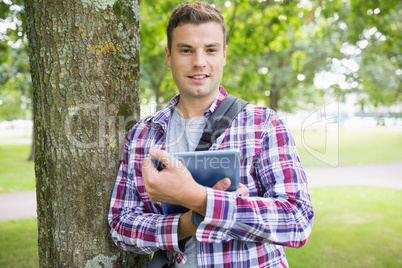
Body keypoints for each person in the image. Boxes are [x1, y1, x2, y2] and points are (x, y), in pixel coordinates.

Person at [108, 2, 314, 267]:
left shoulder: (264, 124)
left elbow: (298, 221)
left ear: (224, 55)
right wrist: (184, 225)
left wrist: (200, 199)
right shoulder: (142, 134)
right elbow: (121, 225)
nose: (199, 62)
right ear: (169, 56)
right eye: (186, 50)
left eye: (211, 50)